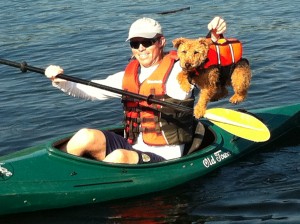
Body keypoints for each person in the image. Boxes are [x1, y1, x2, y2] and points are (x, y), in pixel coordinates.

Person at [44, 16, 227, 164]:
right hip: (130, 147)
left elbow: (207, 64)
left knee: (118, 157)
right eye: (134, 43)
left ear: (161, 41)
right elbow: (90, 90)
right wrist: (61, 80)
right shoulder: (127, 76)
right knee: (85, 136)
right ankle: (54, 175)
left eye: (147, 42)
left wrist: (214, 39)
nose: (141, 48)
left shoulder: (181, 70)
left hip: (164, 159)